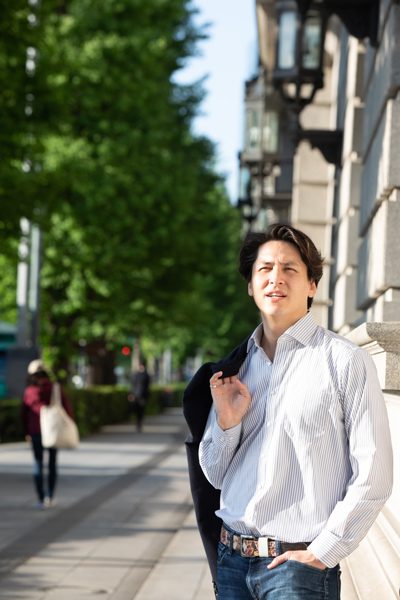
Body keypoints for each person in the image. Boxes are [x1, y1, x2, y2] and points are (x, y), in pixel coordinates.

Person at [183, 223, 393, 599]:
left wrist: (321, 553)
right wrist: (228, 424)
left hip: (298, 571)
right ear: (250, 285)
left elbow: (373, 474)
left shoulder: (344, 361)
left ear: (311, 285)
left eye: (289, 269)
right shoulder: (235, 370)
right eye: (264, 269)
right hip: (232, 560)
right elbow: (214, 476)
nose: (274, 278)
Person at [22, 359, 74, 509]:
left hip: (35, 432)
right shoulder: (55, 388)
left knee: (38, 464)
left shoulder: (29, 391)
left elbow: (23, 414)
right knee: (52, 464)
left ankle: (40, 498)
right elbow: (67, 408)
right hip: (53, 430)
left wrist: (26, 432)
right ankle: (50, 497)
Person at [129, 359, 150, 432]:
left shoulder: (146, 375)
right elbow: (132, 385)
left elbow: (147, 387)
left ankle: (139, 423)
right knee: (136, 410)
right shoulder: (136, 374)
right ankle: (138, 423)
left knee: (141, 410)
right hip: (136, 395)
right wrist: (131, 394)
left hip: (142, 396)